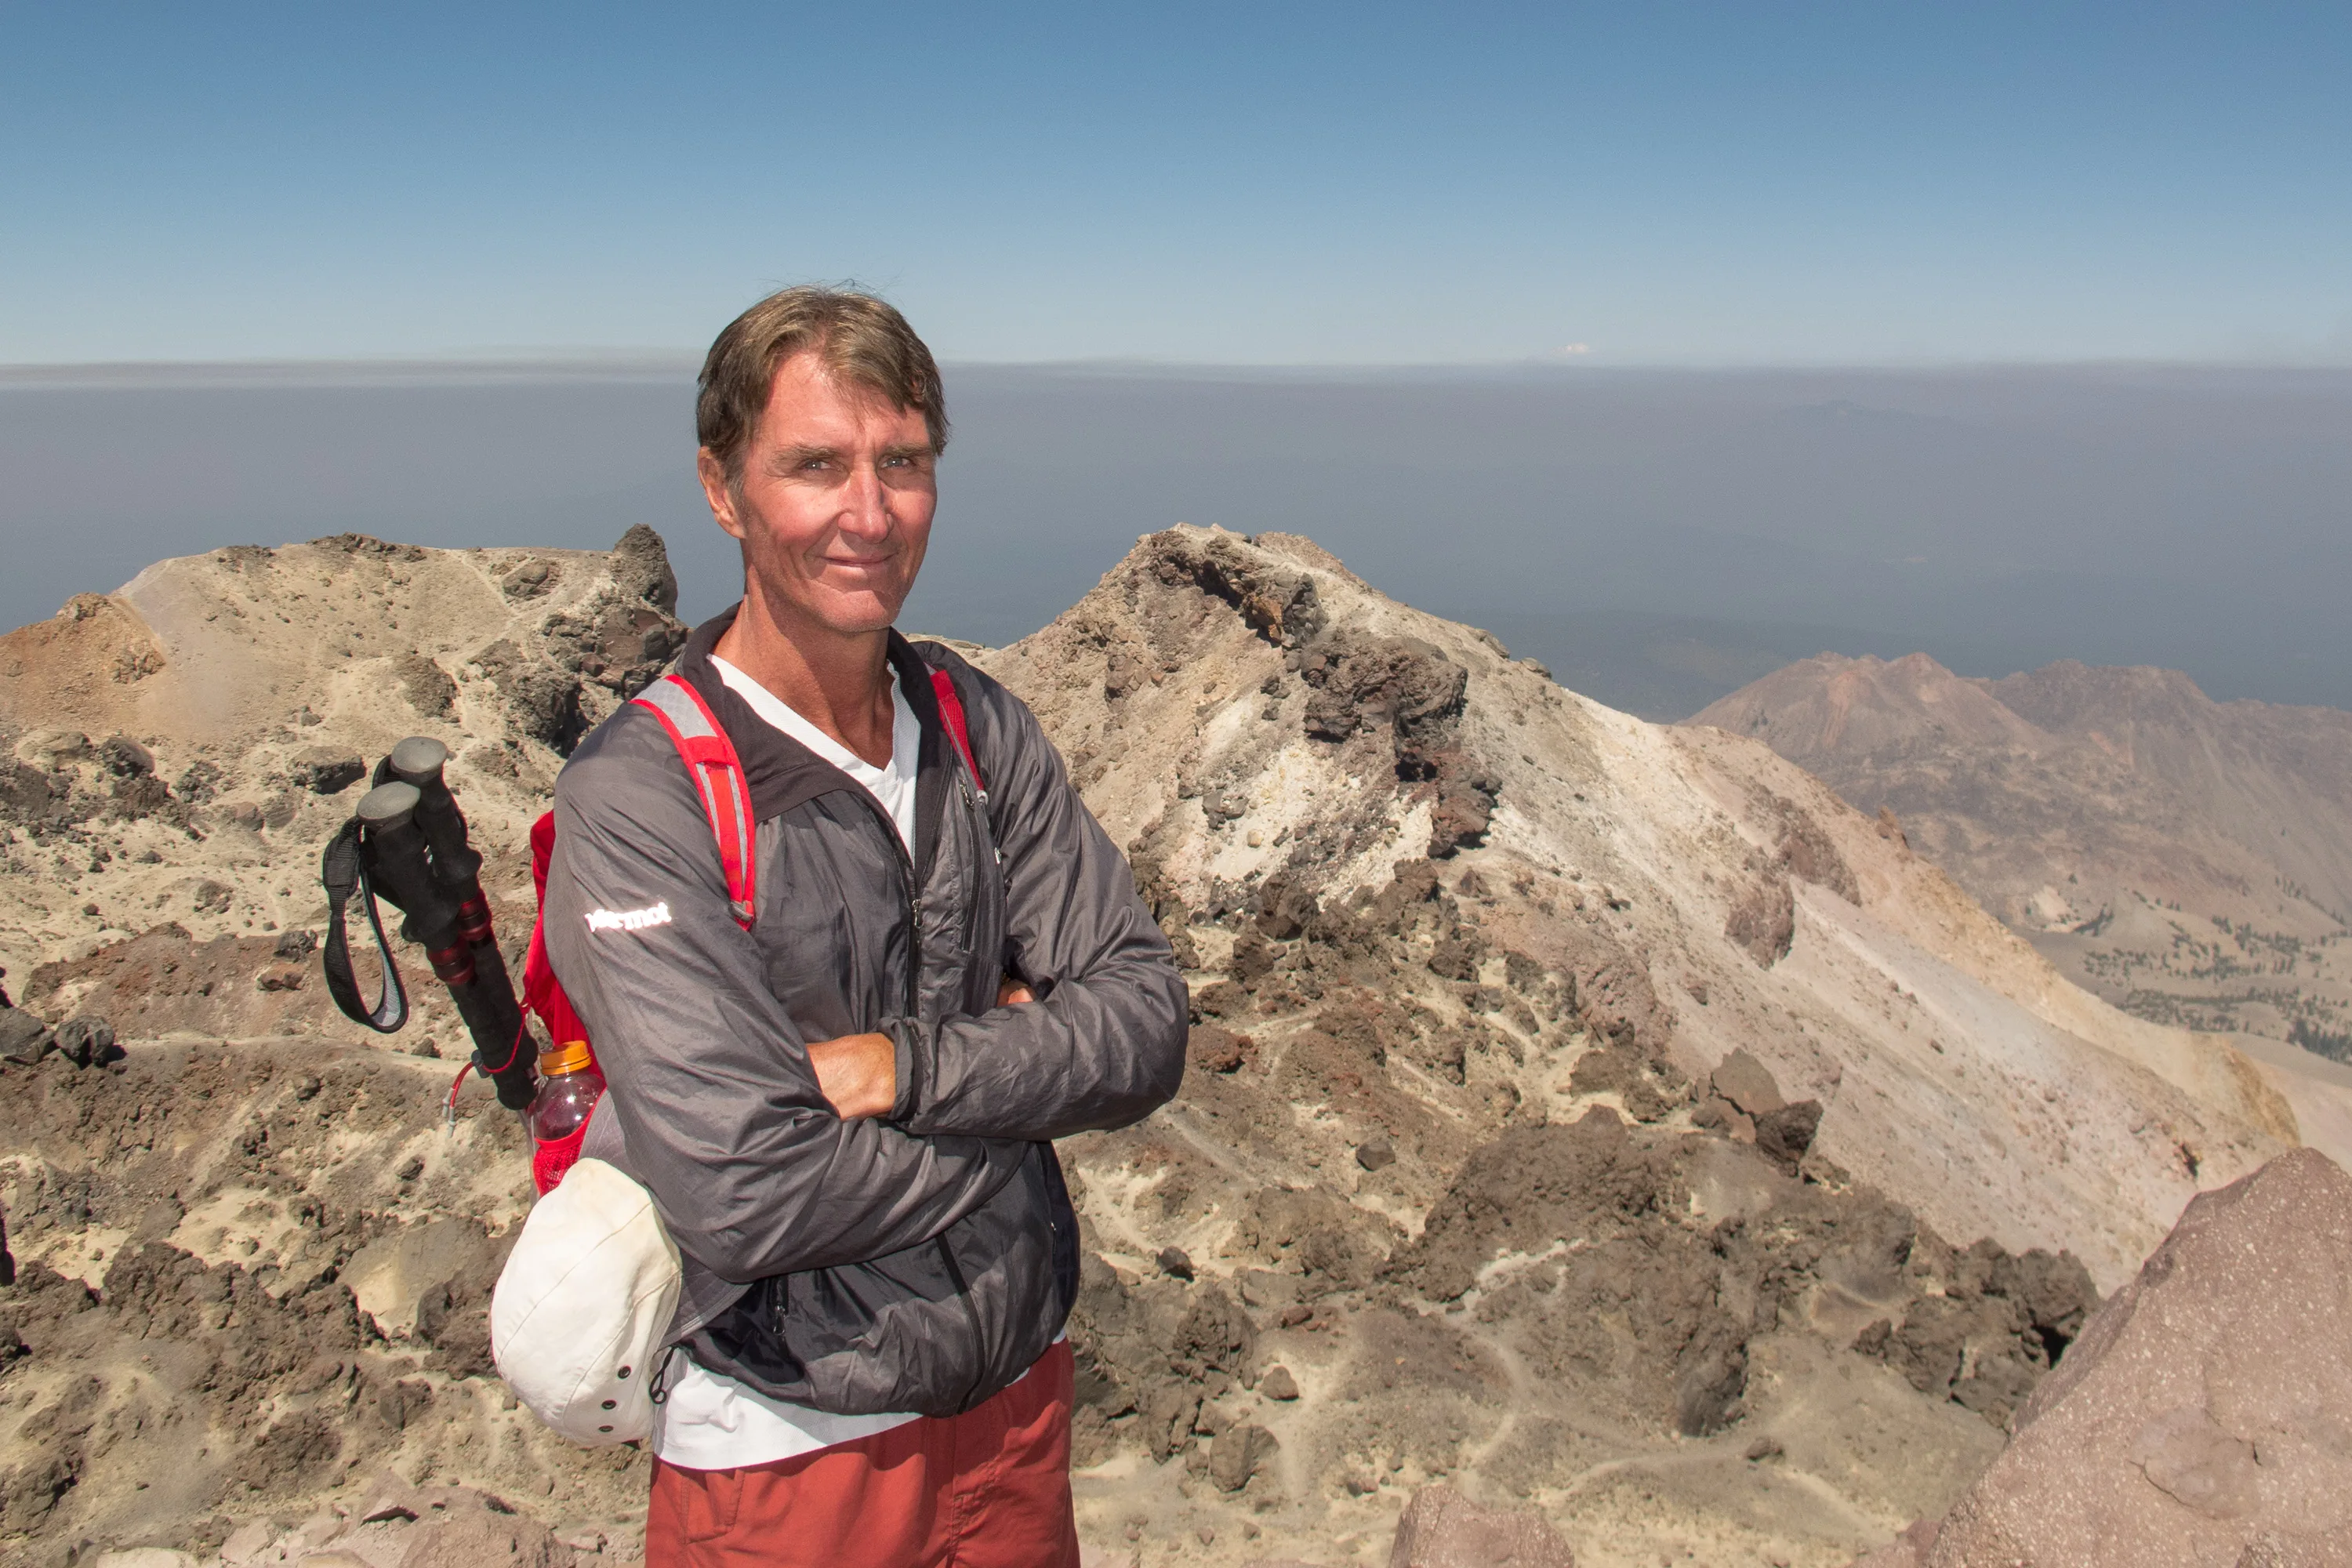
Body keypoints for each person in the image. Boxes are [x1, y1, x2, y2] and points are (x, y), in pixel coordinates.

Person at [544, 286, 1189, 1566]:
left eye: (903, 464)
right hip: (786, 1452)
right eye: (817, 467)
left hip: (1014, 1411)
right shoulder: (646, 792)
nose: (870, 513)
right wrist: (1028, 1094)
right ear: (723, 490)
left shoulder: (972, 723)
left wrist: (916, 1070)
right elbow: (751, 1193)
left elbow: (1146, 1018)